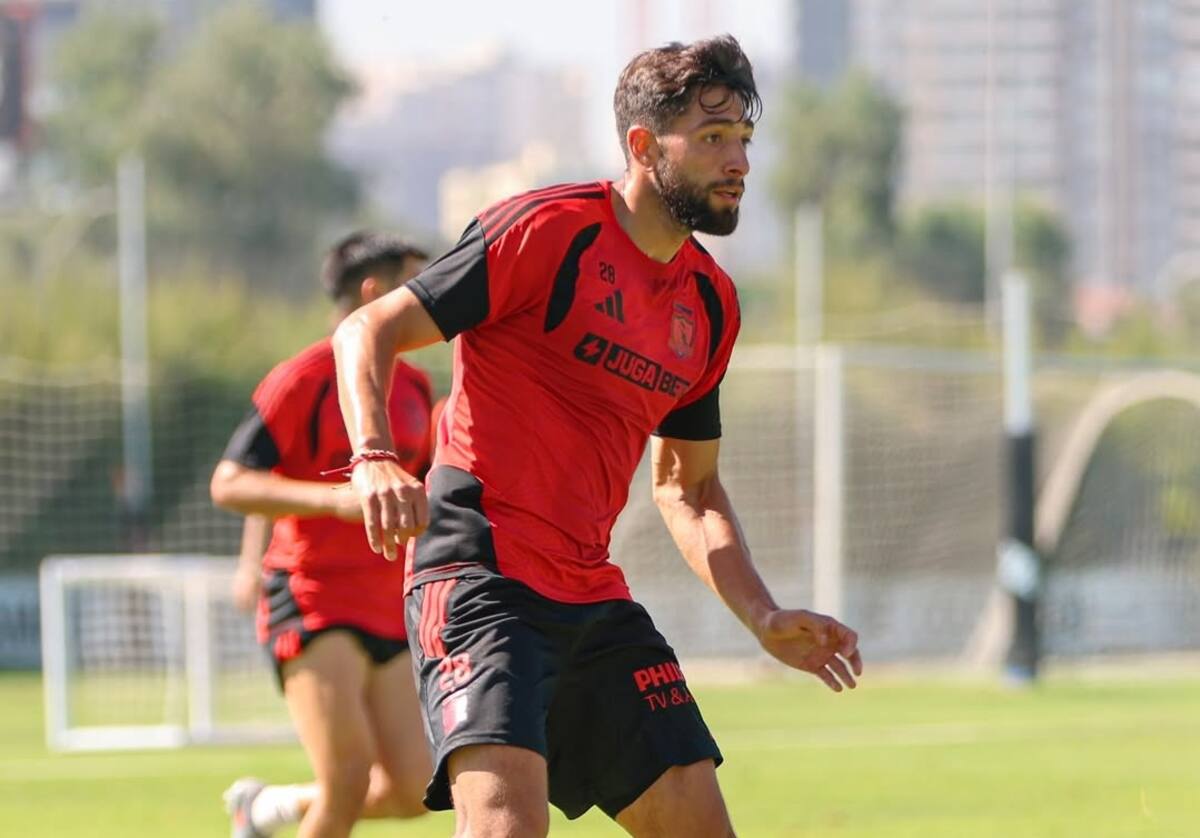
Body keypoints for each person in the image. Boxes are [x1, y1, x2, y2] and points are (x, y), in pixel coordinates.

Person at [332, 36, 864, 838]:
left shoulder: (710, 304)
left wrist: (761, 615)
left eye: (744, 139)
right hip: (479, 576)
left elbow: (689, 488)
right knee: (506, 827)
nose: (739, 162)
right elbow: (366, 330)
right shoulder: (545, 231)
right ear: (643, 147)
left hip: (590, 592)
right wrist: (374, 458)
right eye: (712, 137)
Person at [210, 232, 435, 838]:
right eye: (417, 285)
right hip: (313, 598)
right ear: (374, 292)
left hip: (388, 603)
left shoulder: (415, 386)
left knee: (417, 787)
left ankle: (266, 810)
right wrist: (334, 502)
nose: (432, 298)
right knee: (347, 778)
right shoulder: (302, 379)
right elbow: (230, 482)